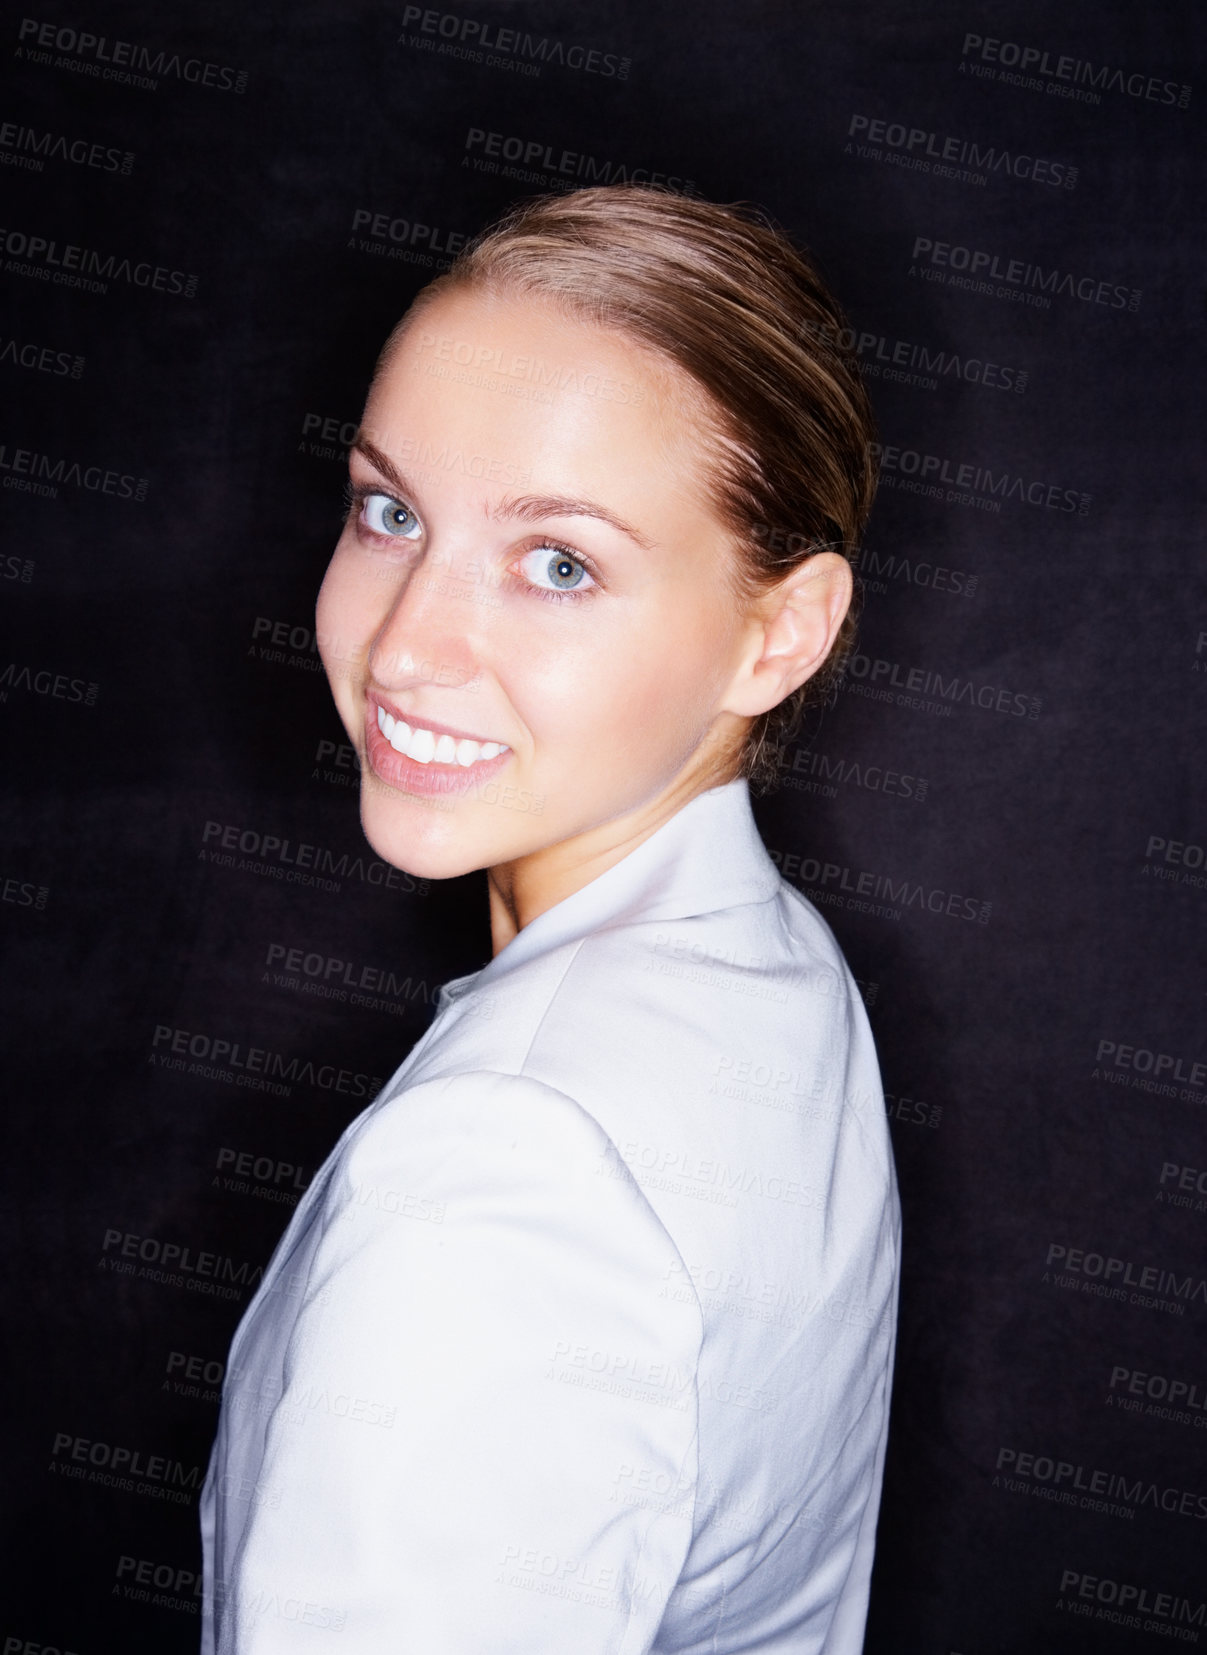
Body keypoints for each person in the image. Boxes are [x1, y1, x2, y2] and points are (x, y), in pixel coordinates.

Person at [200, 183, 900, 1654]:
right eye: (391, 512)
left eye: (559, 563)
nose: (404, 646)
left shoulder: (501, 1180)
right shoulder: (786, 972)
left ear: (780, 632)